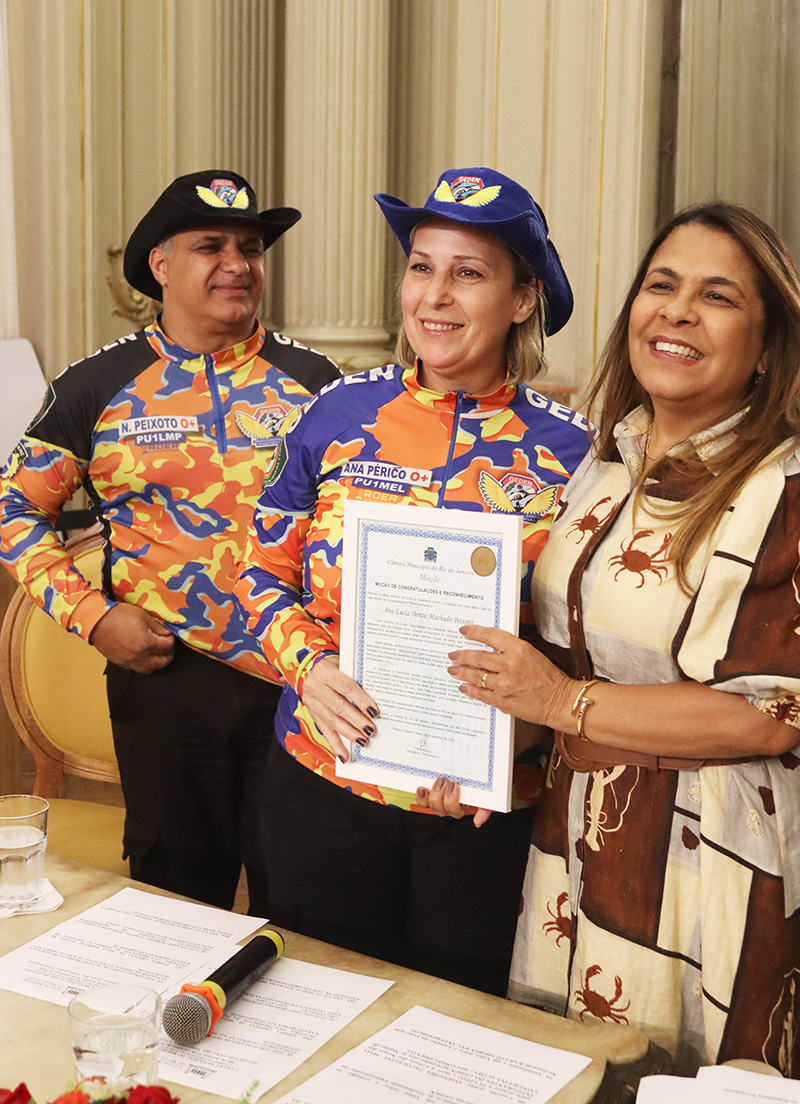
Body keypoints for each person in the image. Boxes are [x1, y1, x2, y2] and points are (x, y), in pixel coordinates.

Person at [445, 203, 800, 1072]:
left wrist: (559, 703)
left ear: (767, 344)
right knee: (575, 1070)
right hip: (578, 837)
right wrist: (491, 742)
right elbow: (567, 660)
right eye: (661, 285)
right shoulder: (604, 466)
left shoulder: (785, 489)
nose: (676, 311)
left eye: (717, 297)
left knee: (683, 1076)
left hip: (708, 857)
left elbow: (772, 715)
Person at [235, 166, 591, 995]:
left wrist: (517, 742)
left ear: (523, 298)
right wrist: (307, 668)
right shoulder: (336, 414)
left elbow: (595, 644)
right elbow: (258, 571)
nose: (436, 294)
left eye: (468, 273)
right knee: (314, 1016)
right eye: (422, 266)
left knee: (453, 1036)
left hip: (478, 814)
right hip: (324, 781)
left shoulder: (581, 455)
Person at [0, 169, 339, 912]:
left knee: (306, 899)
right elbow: (15, 513)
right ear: (160, 265)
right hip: (166, 679)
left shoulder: (315, 381)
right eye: (210, 246)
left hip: (299, 683)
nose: (237, 263)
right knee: (177, 904)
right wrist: (94, 617)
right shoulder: (97, 386)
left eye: (249, 247)